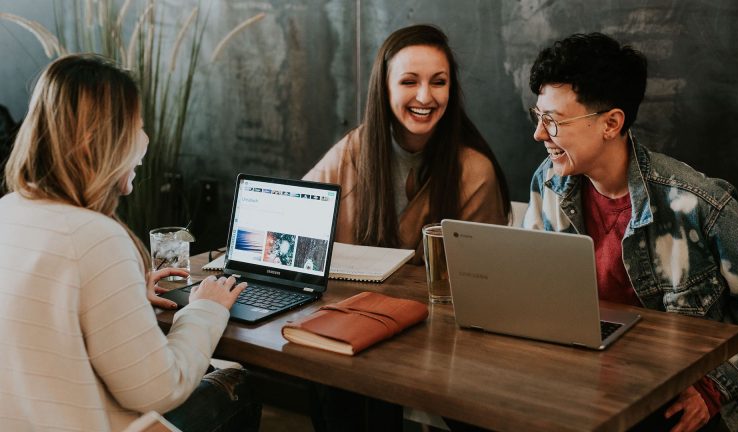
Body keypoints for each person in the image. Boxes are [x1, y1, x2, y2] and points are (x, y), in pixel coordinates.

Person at [0, 54, 261, 431]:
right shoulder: (95, 237)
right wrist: (204, 310)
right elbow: (158, 390)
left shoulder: (9, 210)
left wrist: (127, 299)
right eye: (137, 126)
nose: (146, 139)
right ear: (97, 141)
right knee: (239, 384)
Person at [524, 32, 738, 432]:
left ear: (611, 123)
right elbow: (532, 287)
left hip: (674, 397)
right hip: (586, 383)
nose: (539, 134)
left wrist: (713, 389)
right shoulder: (548, 182)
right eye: (538, 116)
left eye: (553, 121)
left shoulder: (698, 204)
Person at [304, 24, 510, 255]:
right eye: (409, 82)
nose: (424, 97)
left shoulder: (475, 172)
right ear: (384, 88)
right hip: (351, 292)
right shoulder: (353, 150)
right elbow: (295, 216)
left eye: (438, 82)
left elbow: (480, 272)